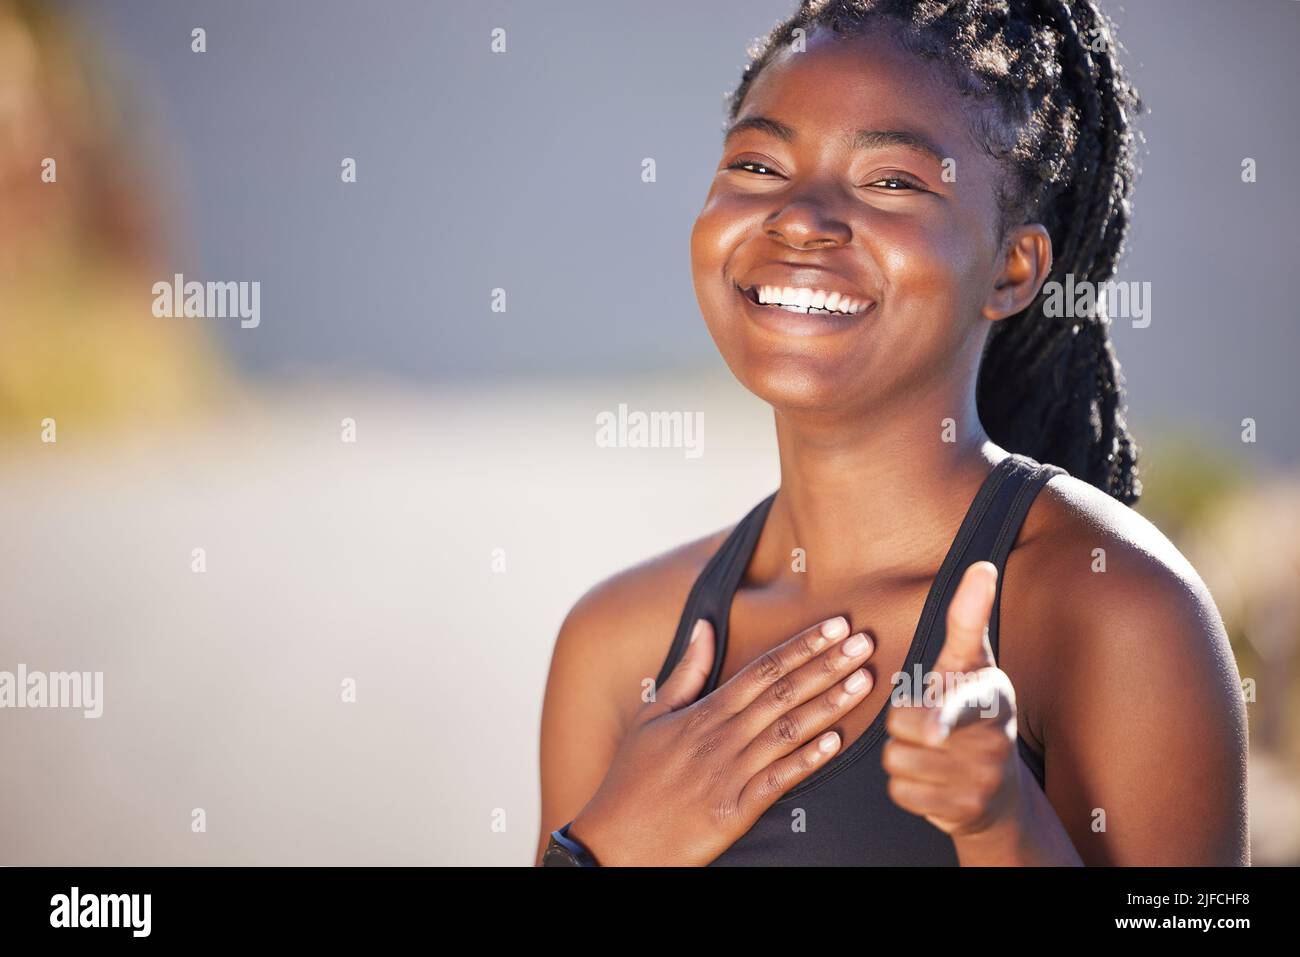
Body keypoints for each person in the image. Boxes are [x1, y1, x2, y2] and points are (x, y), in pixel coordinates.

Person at [535, 0, 1248, 866]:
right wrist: (610, 843)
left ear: (1013, 270)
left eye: (893, 181)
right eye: (758, 163)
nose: (799, 217)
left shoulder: (1119, 610)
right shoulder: (615, 640)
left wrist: (1002, 825)